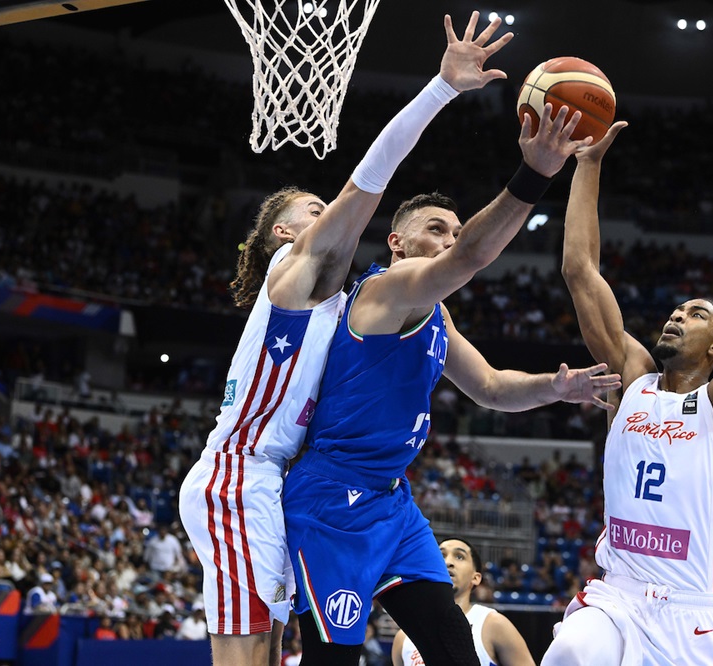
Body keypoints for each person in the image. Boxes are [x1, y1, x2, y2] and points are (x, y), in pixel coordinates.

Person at [178, 12, 516, 666]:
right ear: (285, 236)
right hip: (238, 474)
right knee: (248, 656)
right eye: (311, 210)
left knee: (274, 652)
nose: (326, 212)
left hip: (282, 483)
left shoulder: (345, 305)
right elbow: (371, 175)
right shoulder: (296, 275)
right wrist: (441, 90)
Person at [282, 100, 622, 664]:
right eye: (435, 230)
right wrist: (535, 172)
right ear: (396, 244)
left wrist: (555, 389)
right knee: (333, 660)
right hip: (331, 500)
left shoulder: (435, 314)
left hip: (392, 501)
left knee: (451, 646)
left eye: (453, 230)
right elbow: (471, 256)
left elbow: (489, 386)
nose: (448, 238)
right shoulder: (388, 289)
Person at [542, 104, 713, 666]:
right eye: (677, 310)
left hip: (687, 615)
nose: (677, 315)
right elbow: (580, 270)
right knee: (570, 650)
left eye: (696, 314)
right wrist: (588, 165)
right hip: (616, 595)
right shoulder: (632, 383)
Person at [392, 538, 534, 666]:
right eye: (441, 556)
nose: (448, 562)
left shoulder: (493, 624)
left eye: (459, 557)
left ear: (476, 578)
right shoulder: (403, 637)